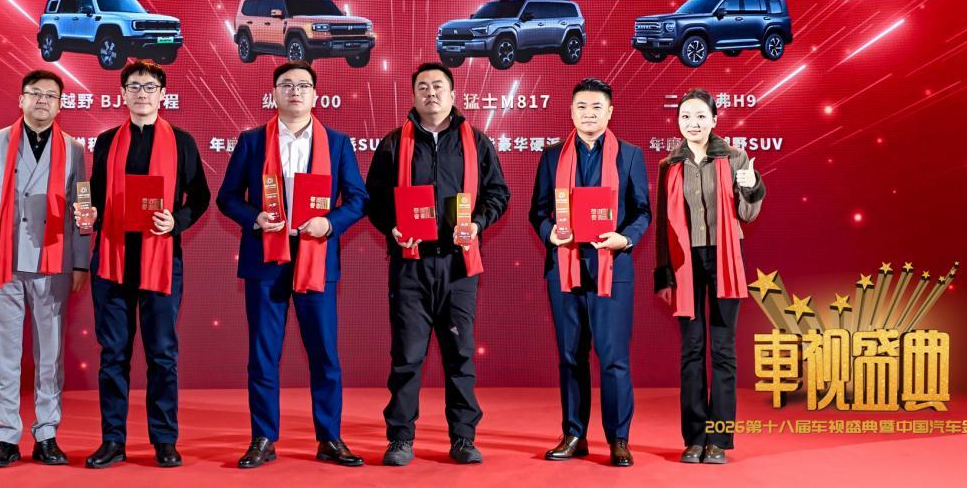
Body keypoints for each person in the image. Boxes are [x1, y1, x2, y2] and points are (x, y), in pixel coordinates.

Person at [217, 61, 369, 469]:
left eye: (303, 85)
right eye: (286, 85)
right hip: (266, 258)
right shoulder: (252, 141)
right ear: (274, 94)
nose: (295, 91)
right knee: (263, 354)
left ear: (316, 95)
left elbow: (358, 199)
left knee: (324, 353)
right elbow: (227, 197)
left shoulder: (337, 143)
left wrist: (329, 223)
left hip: (316, 257)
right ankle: (263, 438)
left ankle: (330, 438)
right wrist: (255, 217)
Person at [365, 63, 510, 466]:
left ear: (453, 94)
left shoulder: (476, 142)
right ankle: (400, 438)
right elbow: (374, 198)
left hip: (458, 265)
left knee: (460, 355)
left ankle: (463, 437)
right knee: (407, 355)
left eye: (438, 86)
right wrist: (392, 227)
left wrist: (477, 224)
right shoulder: (394, 143)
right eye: (423, 87)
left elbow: (498, 193)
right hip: (409, 264)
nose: (431, 93)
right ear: (413, 96)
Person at [84, 60, 210, 469]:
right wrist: (89, 214)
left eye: (150, 87)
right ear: (123, 94)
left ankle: (164, 439)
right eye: (134, 86)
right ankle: (113, 440)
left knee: (162, 355)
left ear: (162, 94)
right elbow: (95, 195)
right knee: (113, 356)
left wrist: (177, 222)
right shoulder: (106, 141)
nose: (142, 93)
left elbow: (201, 196)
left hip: (162, 261)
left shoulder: (183, 141)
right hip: (113, 262)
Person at [0, 69, 90, 468]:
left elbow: (82, 208)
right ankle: (6, 436)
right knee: (5, 355)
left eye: (51, 96)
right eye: (35, 93)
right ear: (21, 100)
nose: (42, 101)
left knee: (50, 355)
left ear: (60, 105)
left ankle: (47, 434)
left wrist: (80, 261)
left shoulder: (73, 150)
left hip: (53, 261)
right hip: (3, 259)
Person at [529, 78, 650, 467]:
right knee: (570, 357)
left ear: (610, 112)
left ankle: (619, 438)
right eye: (581, 106)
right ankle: (574, 434)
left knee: (613, 359)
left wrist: (624, 238)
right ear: (571, 111)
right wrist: (551, 234)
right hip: (565, 269)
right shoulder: (552, 156)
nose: (588, 114)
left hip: (612, 268)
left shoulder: (629, 155)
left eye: (597, 107)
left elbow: (642, 211)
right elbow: (538, 211)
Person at [653, 88, 764, 465]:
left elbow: (748, 215)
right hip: (685, 261)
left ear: (715, 120)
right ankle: (694, 438)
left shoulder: (735, 157)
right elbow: (662, 224)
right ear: (678, 121)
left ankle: (718, 439)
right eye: (686, 116)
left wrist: (750, 185)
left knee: (722, 350)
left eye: (701, 116)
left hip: (725, 258)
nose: (693, 123)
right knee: (692, 350)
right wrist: (664, 274)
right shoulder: (670, 164)